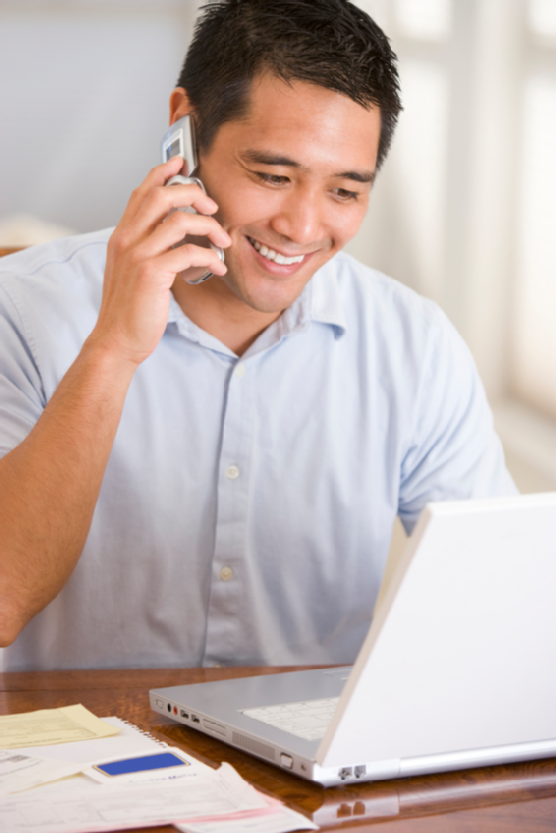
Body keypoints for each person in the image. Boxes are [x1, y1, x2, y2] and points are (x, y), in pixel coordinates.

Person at [0, 0, 515, 672]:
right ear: (184, 132)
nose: (302, 227)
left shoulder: (412, 345)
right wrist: (114, 349)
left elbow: (501, 603)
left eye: (344, 191)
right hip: (70, 753)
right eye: (272, 176)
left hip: (304, 771)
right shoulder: (23, 310)